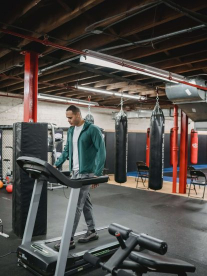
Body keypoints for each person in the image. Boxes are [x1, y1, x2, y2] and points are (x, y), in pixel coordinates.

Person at [54, 105, 106, 251]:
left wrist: (97, 173)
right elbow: (66, 151)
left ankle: (68, 239)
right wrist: (55, 164)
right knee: (85, 202)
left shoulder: (92, 129)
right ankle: (92, 231)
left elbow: (101, 151)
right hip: (75, 171)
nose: (68, 120)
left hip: (86, 172)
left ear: (78, 115)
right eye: (67, 118)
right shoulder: (71, 131)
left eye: (70, 117)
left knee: (76, 205)